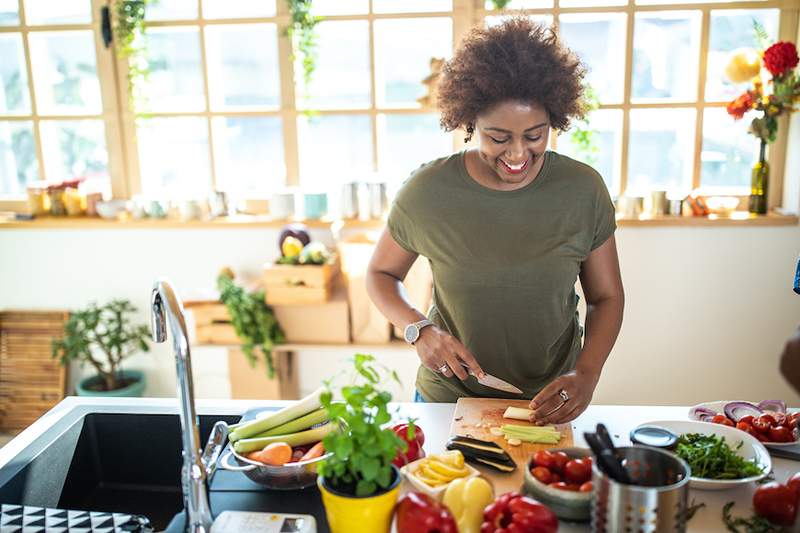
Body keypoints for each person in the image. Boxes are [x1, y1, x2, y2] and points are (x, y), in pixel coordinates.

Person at [366, 17, 624, 425]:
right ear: (469, 123)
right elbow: (380, 274)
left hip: (549, 401)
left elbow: (605, 298)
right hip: (446, 401)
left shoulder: (582, 190)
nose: (518, 154)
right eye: (498, 138)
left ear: (554, 120)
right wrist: (419, 329)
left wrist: (587, 374)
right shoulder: (427, 191)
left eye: (535, 135)